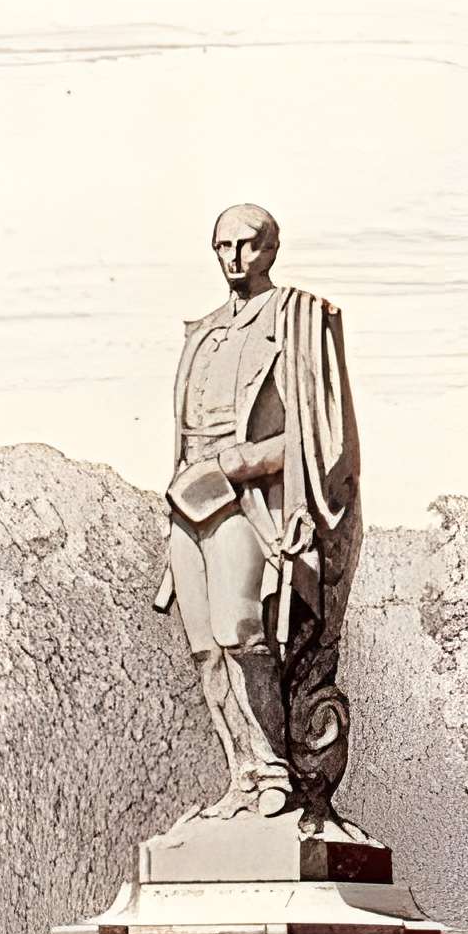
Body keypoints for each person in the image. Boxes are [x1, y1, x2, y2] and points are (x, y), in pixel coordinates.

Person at [155, 204, 363, 824]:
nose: (234, 258)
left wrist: (233, 466)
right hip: (187, 505)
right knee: (204, 651)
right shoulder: (203, 330)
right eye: (223, 246)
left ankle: (278, 775)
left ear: (272, 249)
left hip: (251, 503)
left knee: (241, 632)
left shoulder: (299, 318)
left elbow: (318, 440)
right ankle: (242, 777)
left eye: (248, 245)